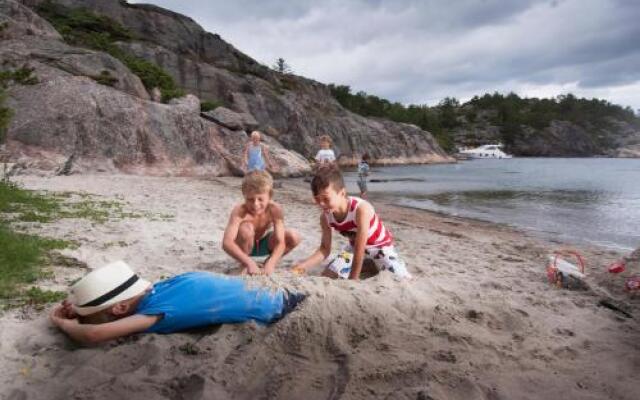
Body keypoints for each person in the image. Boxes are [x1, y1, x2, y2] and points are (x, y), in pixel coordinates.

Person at [49, 260, 305, 344]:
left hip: (277, 308)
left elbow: (94, 333)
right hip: (273, 290)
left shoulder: (153, 314)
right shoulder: (160, 289)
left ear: (121, 308)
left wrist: (59, 322)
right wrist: (80, 309)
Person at [292, 166, 411, 280]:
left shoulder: (361, 209)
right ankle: (368, 265)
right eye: (317, 199)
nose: (321, 204)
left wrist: (353, 280)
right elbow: (324, 249)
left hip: (379, 247)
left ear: (342, 193)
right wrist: (300, 267)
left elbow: (361, 246)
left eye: (326, 199)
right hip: (354, 249)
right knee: (328, 275)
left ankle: (374, 264)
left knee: (401, 278)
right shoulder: (325, 217)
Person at [222, 170, 300, 275]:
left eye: (260, 199)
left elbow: (280, 242)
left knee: (294, 236)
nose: (255, 204)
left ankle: (266, 263)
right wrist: (249, 263)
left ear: (270, 196)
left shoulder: (275, 209)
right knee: (246, 229)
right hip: (242, 246)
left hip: (262, 244)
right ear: (244, 195)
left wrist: (271, 263)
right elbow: (227, 243)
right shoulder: (240, 211)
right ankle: (244, 263)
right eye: (250, 199)